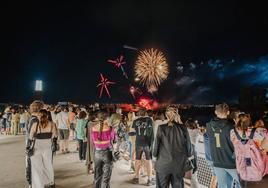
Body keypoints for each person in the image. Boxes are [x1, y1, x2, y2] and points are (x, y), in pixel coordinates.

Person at [153, 106, 192, 188]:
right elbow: (189, 145)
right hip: (179, 164)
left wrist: (155, 156)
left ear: (166, 115)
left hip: (163, 164)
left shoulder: (161, 128)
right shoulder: (183, 128)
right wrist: (189, 155)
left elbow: (156, 146)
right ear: (177, 115)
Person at [206, 103, 241, 188]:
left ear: (215, 112)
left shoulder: (209, 126)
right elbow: (238, 144)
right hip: (231, 162)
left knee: (222, 186)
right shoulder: (231, 127)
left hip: (217, 161)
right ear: (228, 112)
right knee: (241, 184)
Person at [28, 109, 57, 188]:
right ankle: (50, 182)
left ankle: (39, 185)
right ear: (47, 115)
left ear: (39, 115)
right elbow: (55, 135)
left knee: (37, 167)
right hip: (47, 147)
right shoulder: (52, 124)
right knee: (48, 165)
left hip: (37, 147)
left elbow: (30, 137)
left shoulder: (35, 124)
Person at [91, 110, 116, 188]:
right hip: (107, 153)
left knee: (97, 175)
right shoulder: (110, 128)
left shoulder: (93, 128)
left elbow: (93, 141)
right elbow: (114, 140)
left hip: (97, 153)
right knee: (106, 177)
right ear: (106, 118)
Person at [131, 108, 154, 186]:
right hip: (147, 144)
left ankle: (136, 178)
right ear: (146, 113)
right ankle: (149, 180)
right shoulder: (149, 120)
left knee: (137, 159)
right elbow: (152, 132)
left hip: (138, 143)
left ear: (138, 113)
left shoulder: (135, 121)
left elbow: (132, 133)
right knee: (149, 160)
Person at [185, 118, 199, 188]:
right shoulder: (197, 131)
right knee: (194, 172)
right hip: (193, 151)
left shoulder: (185, 131)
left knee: (187, 171)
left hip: (186, 151)